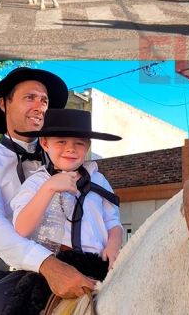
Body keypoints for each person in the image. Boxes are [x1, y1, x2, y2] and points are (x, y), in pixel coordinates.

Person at [0, 67, 95, 315]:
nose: (40, 106)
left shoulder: (65, 156)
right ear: (4, 104)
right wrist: (46, 264)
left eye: (44, 100)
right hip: (7, 271)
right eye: (29, 98)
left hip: (71, 260)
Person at [11, 109, 122, 270]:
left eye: (79, 143)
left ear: (88, 145)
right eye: (61, 142)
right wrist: (49, 188)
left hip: (99, 263)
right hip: (57, 266)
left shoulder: (98, 179)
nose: (71, 149)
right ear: (45, 143)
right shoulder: (36, 182)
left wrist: (114, 246)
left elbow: (113, 222)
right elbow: (22, 229)